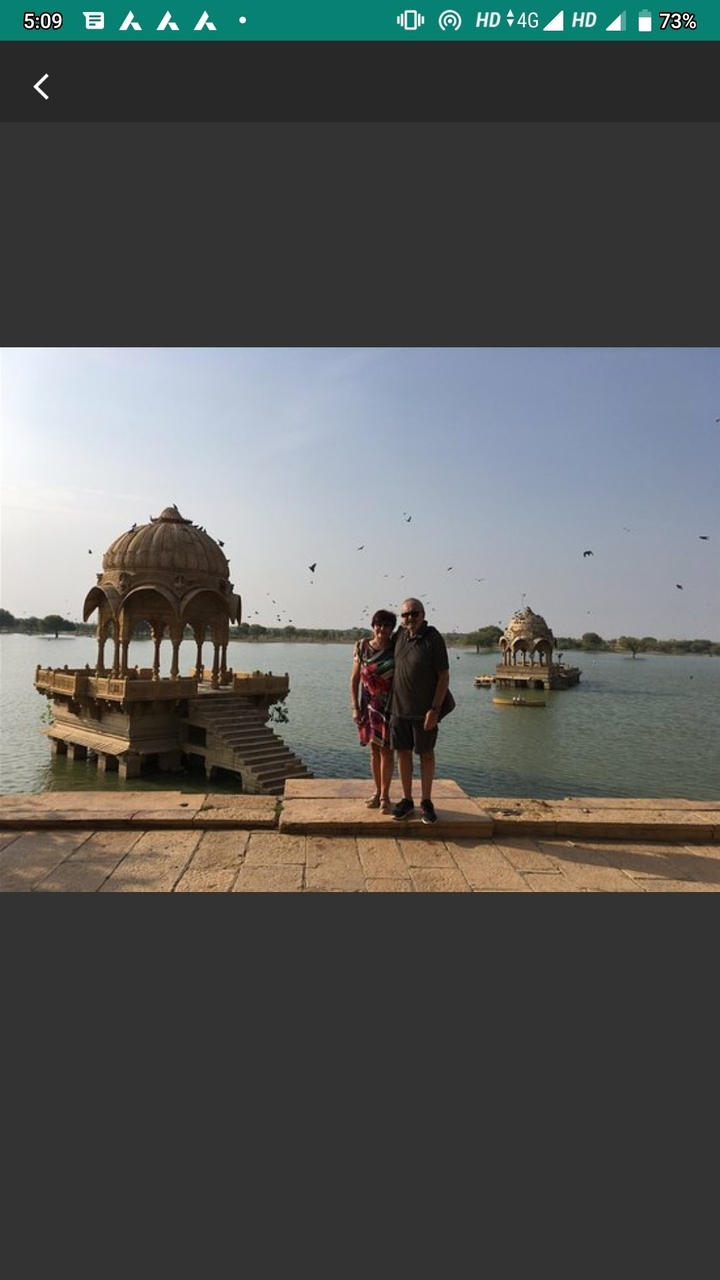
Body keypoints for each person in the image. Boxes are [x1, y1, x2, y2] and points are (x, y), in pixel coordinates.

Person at [389, 598, 450, 825]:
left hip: (424, 710)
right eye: (405, 615)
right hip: (399, 708)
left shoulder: (433, 638)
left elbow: (443, 675)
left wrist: (434, 709)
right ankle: (407, 799)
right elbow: (378, 643)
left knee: (426, 754)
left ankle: (426, 801)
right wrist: (361, 645)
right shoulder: (400, 637)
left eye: (414, 614)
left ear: (423, 614)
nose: (410, 618)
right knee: (402, 753)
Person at [350, 609, 397, 813]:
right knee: (373, 750)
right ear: (373, 626)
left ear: (392, 629)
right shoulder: (362, 646)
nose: (382, 629)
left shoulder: (397, 648)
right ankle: (377, 793)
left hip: (390, 707)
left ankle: (386, 796)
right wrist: (355, 707)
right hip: (368, 707)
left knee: (387, 750)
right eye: (379, 624)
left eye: (387, 625)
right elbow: (354, 680)